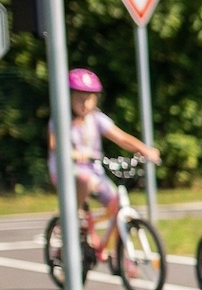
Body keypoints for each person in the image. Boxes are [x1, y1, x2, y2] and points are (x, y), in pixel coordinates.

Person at [48, 69, 159, 253]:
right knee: (83, 179)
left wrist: (145, 150)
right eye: (79, 98)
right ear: (68, 98)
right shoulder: (61, 120)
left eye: (89, 98)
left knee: (119, 205)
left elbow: (121, 138)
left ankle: (120, 257)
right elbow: (54, 144)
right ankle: (69, 218)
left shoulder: (96, 118)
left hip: (94, 172)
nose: (84, 103)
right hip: (66, 171)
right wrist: (73, 154)